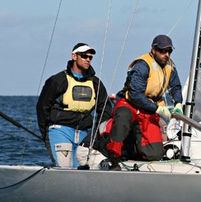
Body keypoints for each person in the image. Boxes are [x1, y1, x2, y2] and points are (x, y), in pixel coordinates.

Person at [105, 34, 183, 165]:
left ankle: (133, 149)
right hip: (131, 104)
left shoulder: (170, 66)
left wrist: (178, 103)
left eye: (169, 51)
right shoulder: (142, 65)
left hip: (148, 109)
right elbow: (135, 94)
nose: (167, 54)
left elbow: (175, 86)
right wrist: (158, 109)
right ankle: (112, 154)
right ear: (154, 50)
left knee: (156, 153)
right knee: (123, 118)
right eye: (163, 51)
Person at [37, 43, 112, 168]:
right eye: (84, 56)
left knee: (82, 171)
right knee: (65, 168)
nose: (88, 59)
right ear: (74, 56)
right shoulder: (57, 80)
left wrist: (95, 135)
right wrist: (45, 135)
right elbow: (42, 107)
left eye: (90, 57)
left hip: (84, 136)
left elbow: (106, 110)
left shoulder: (95, 83)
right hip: (60, 131)